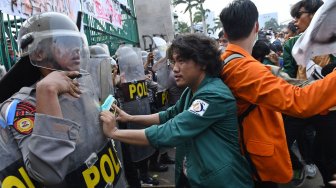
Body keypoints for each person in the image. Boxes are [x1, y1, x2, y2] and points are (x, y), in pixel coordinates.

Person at [100, 33, 254, 187]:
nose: (175, 68)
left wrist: (114, 133)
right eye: (173, 62)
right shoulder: (192, 91)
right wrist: (130, 118)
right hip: (197, 177)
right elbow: (169, 115)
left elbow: (171, 131)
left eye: (182, 61)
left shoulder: (213, 95)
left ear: (203, 63)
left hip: (222, 182)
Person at [0, 12, 126, 187]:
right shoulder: (21, 106)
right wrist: (47, 92)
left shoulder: (82, 82)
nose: (76, 49)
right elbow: (48, 173)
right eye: (66, 43)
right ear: (38, 53)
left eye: (77, 43)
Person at [219, 0, 336, 187]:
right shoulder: (243, 68)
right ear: (256, 27)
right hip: (254, 165)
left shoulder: (230, 61)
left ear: (225, 33)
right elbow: (299, 101)